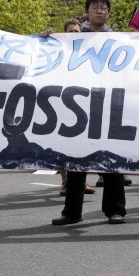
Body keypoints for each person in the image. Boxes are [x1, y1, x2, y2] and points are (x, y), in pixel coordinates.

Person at [49, 0, 127, 225]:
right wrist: (47, 39)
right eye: (95, 7)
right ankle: (72, 212)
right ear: (87, 12)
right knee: (76, 161)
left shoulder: (120, 41)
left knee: (112, 160)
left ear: (108, 13)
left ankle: (116, 210)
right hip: (79, 106)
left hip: (109, 106)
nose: (100, 11)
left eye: (104, 8)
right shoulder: (72, 39)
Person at [49, 18, 97, 196]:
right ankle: (65, 183)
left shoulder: (86, 51)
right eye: (70, 31)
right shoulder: (58, 47)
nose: (73, 34)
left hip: (82, 102)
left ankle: (81, 182)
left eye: (76, 31)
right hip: (62, 101)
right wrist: (45, 37)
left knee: (80, 145)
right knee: (63, 144)